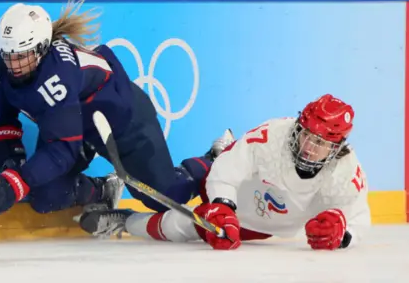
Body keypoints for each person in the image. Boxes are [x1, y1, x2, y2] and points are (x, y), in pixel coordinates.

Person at [0, 0, 227, 216]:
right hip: (77, 122)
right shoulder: (2, 61)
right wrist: (10, 163)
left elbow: (62, 150)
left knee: (165, 197)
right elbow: (7, 111)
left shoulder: (58, 77)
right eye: (8, 55)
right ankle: (103, 191)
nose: (13, 65)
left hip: (122, 119)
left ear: (41, 49)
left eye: (21, 56)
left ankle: (215, 160)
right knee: (46, 196)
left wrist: (13, 183)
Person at [79, 94, 371, 251]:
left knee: (181, 228)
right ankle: (213, 155)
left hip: (262, 224)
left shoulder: (345, 170)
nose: (308, 146)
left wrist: (343, 235)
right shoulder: (274, 135)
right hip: (230, 192)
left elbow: (360, 218)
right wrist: (222, 205)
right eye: (306, 134)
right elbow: (230, 170)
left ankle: (126, 221)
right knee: (188, 185)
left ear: (336, 147)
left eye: (320, 142)